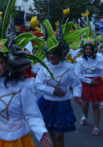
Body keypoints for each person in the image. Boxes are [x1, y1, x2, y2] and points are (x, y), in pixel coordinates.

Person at [0, 33, 50, 147]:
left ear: (9, 64)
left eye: (0, 62)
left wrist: (41, 133)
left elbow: (32, 114)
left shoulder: (21, 87)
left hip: (15, 140)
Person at [36, 19, 84, 147]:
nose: (52, 56)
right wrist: (52, 91)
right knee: (50, 130)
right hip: (46, 103)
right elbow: (38, 83)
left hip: (61, 104)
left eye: (55, 53)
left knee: (59, 135)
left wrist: (77, 95)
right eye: (50, 53)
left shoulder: (68, 68)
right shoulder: (44, 66)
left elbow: (76, 84)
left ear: (60, 53)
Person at [75, 37, 103, 136]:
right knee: (85, 105)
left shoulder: (99, 60)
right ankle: (85, 116)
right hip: (85, 85)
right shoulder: (80, 61)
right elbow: (77, 74)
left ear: (93, 49)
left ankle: (96, 127)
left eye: (90, 49)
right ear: (83, 49)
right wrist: (89, 81)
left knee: (95, 107)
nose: (88, 51)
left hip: (96, 85)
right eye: (86, 49)